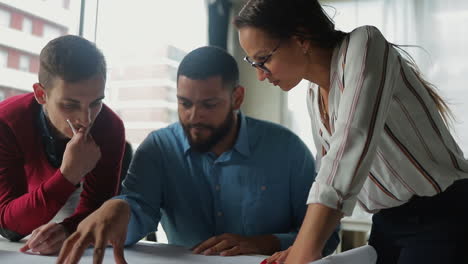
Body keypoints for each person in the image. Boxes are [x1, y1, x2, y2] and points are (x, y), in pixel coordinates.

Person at [56, 46, 340, 264]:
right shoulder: (159, 148)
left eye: (209, 104)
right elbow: (139, 210)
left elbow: (327, 238)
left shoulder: (287, 150)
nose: (194, 117)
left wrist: (265, 243)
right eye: (184, 103)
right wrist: (119, 209)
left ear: (237, 98)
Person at [233, 0, 468, 263]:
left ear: (300, 38)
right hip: (386, 224)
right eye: (253, 63)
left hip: (444, 216)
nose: (261, 76)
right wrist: (301, 245)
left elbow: (348, 150)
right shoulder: (313, 95)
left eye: (263, 59)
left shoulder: (365, 44)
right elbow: (326, 172)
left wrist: (305, 249)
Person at [0, 35, 125, 255]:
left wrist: (68, 229)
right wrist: (69, 175)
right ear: (41, 94)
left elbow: (96, 211)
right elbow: (9, 228)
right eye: (70, 105)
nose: (86, 120)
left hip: (53, 214)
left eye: (96, 103)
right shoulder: (6, 121)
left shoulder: (110, 127)